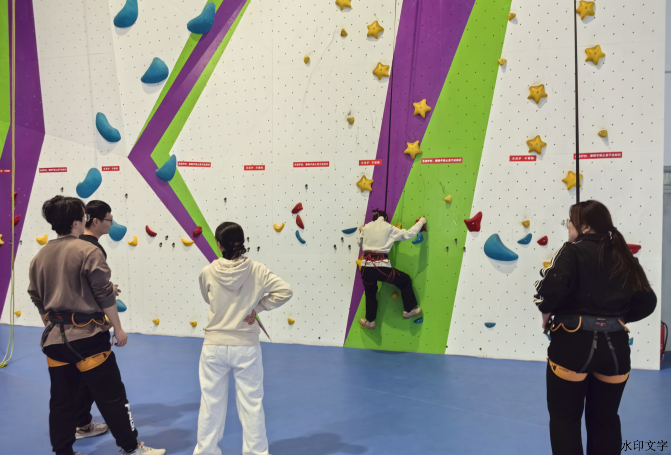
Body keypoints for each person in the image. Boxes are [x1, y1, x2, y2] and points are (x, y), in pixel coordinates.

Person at [28, 196, 165, 456]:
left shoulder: (39, 256)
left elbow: (35, 294)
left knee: (61, 402)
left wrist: (49, 319)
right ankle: (131, 448)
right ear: (76, 222)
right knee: (112, 396)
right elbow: (104, 293)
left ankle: (64, 452)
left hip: (55, 340)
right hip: (88, 337)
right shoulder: (88, 251)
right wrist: (118, 328)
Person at [535, 200, 657, 455]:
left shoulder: (571, 250)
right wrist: (617, 318)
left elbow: (548, 290)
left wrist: (547, 311)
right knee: (606, 420)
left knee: (565, 419)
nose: (568, 226)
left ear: (586, 227)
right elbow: (647, 301)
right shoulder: (624, 255)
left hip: (572, 345)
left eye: (570, 221)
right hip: (615, 351)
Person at [194, 222, 293, 455]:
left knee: (210, 403)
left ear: (219, 244)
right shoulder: (258, 270)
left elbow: (209, 299)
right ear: (242, 241)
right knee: (252, 403)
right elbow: (285, 291)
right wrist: (257, 307)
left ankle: (205, 451)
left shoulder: (207, 271)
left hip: (214, 345)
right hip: (247, 346)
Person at [70, 200, 121, 441]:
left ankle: (79, 422)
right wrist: (118, 327)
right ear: (96, 221)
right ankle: (82, 424)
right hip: (89, 324)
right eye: (109, 219)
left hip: (73, 323)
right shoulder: (92, 248)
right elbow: (98, 290)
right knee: (95, 377)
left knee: (82, 376)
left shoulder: (74, 244)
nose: (111, 223)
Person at [357, 209, 426, 330]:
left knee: (370, 293)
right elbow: (408, 234)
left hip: (366, 268)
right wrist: (421, 222)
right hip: (380, 268)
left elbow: (359, 243)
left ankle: (370, 321)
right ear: (386, 218)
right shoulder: (389, 228)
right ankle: (409, 310)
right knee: (404, 280)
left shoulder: (366, 228)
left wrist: (363, 230)